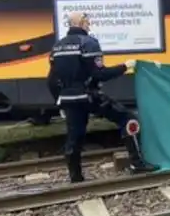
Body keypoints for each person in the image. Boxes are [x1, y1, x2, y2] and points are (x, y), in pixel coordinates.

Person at [48, 11, 158, 183]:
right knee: (128, 119)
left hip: (68, 100)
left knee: (74, 137)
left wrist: (60, 101)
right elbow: (99, 74)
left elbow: (52, 80)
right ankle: (137, 164)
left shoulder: (57, 47)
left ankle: (76, 178)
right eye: (87, 21)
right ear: (82, 22)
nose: (89, 24)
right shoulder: (89, 43)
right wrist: (125, 66)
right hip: (89, 96)